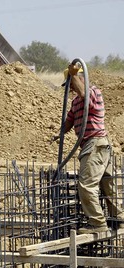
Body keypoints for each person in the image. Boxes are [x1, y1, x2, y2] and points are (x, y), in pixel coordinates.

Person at [51, 63, 124, 234]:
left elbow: (83, 93)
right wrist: (59, 133)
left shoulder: (92, 92)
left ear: (80, 78)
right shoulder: (76, 102)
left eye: (71, 84)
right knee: (107, 184)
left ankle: (98, 223)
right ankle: (119, 219)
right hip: (96, 145)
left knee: (86, 185)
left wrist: (73, 74)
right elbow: (69, 120)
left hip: (95, 143)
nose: (70, 89)